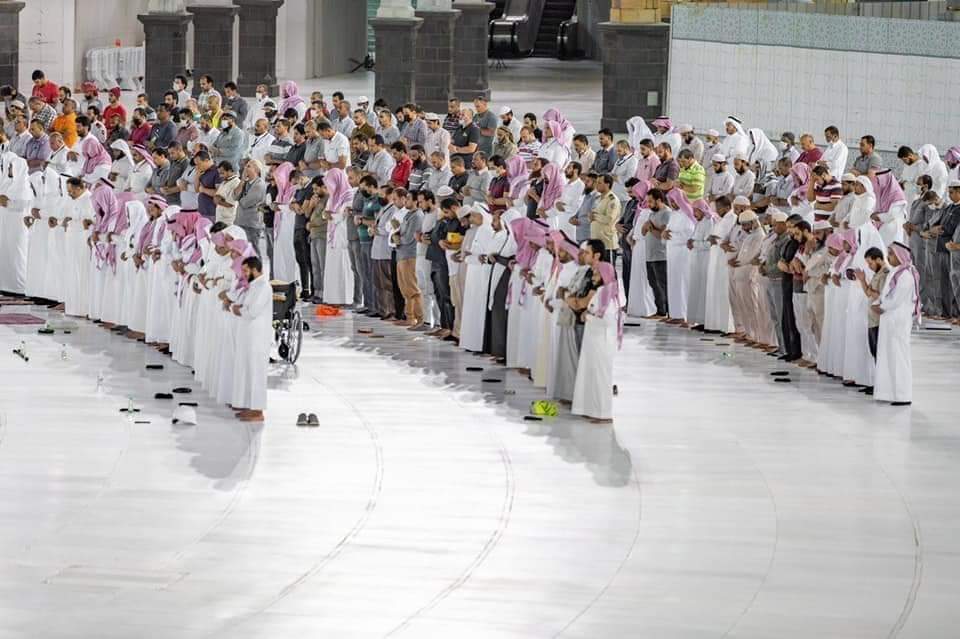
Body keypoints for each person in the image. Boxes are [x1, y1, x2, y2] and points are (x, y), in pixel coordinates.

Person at [571, 261, 622, 424]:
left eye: (596, 274)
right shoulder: (601, 291)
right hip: (593, 339)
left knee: (601, 377)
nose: (593, 277)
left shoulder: (608, 293)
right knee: (591, 375)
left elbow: (607, 319)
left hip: (602, 340)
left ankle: (603, 413)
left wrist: (588, 317)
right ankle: (591, 409)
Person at [873, 242, 918, 406]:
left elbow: (896, 300)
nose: (888, 257)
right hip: (889, 319)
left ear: (900, 256)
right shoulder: (895, 273)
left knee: (898, 357)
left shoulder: (906, 276)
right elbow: (885, 294)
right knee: (888, 356)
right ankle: (888, 392)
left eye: (891, 254)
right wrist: (878, 303)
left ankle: (902, 395)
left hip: (898, 321)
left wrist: (882, 306)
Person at [230, 256, 272, 422]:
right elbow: (245, 304)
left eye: (247, 271)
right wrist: (239, 308)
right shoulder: (253, 286)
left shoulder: (264, 287)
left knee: (256, 372)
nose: (245, 275)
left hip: (258, 337)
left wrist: (239, 311)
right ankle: (249, 404)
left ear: (255, 269)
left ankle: (257, 410)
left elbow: (253, 311)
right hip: (248, 334)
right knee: (247, 370)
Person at [322, 168, 357, 306]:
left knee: (343, 266)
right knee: (332, 267)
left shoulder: (349, 195)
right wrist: (328, 215)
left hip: (342, 234)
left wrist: (332, 216)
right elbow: (326, 212)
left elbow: (344, 215)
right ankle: (332, 298)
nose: (329, 187)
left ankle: (345, 298)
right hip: (332, 235)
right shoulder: (332, 197)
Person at [664, 190, 697, 324]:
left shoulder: (687, 214)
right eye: (670, 201)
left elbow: (688, 235)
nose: (672, 203)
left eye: (674, 201)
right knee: (674, 283)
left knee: (683, 283)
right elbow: (668, 230)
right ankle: (676, 314)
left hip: (683, 253)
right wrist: (665, 234)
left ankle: (685, 315)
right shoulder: (673, 214)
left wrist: (669, 236)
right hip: (672, 253)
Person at [641, 187, 670, 317]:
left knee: (662, 284)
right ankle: (660, 310)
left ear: (659, 200)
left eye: (651, 201)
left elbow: (662, 235)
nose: (648, 204)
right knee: (653, 283)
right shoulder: (652, 213)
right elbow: (643, 231)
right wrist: (646, 227)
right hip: (650, 255)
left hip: (661, 255)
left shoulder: (666, 213)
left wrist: (651, 228)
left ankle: (668, 311)